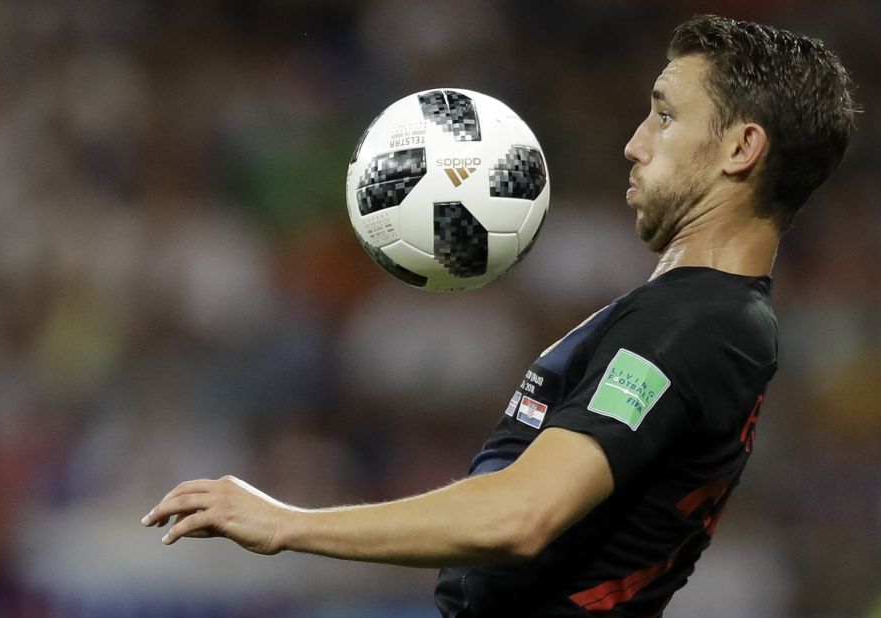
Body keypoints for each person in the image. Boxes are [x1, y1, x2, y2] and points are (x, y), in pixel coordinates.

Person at [142, 14, 856, 617]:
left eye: (665, 115)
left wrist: (287, 523)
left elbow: (520, 516)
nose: (634, 143)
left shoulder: (694, 326)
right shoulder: (697, 317)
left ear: (741, 148)